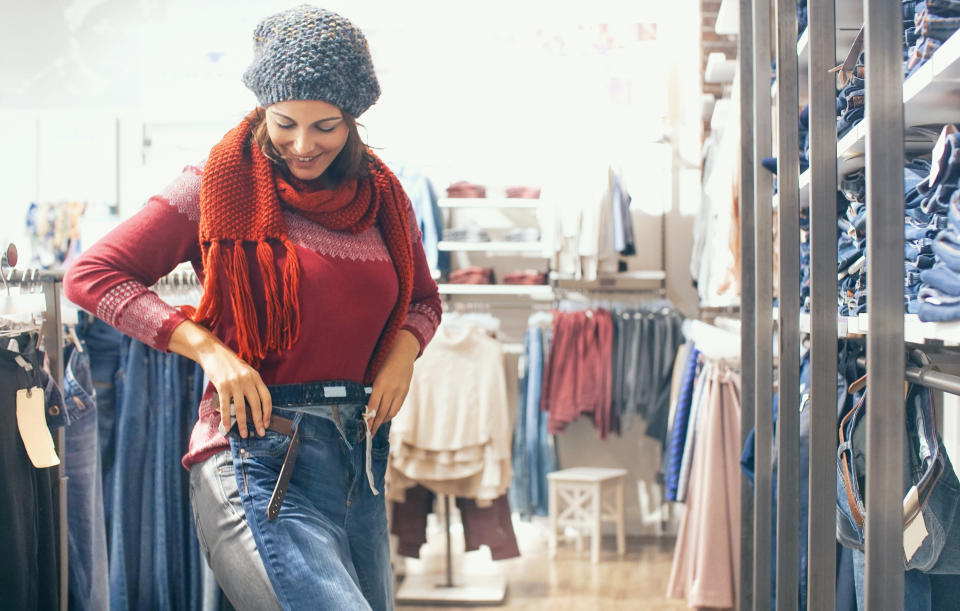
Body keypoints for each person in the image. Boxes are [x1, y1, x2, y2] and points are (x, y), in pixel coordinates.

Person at [63, 5, 442, 609]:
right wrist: (210, 351)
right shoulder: (213, 185)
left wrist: (403, 353)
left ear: (354, 118)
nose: (303, 145)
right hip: (257, 455)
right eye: (285, 121)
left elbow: (423, 299)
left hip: (361, 460)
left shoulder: (383, 196)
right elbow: (90, 275)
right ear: (262, 106)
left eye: (327, 126)